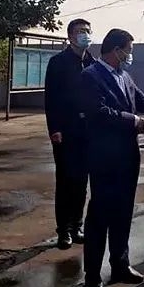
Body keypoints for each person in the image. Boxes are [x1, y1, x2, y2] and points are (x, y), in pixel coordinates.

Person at [79, 28, 144, 287]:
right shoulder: (90, 76)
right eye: (129, 50)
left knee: (123, 211)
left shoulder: (123, 76)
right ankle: (92, 274)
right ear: (116, 50)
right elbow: (98, 112)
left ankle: (120, 265)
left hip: (128, 155)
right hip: (104, 157)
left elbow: (140, 100)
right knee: (100, 214)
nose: (130, 55)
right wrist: (132, 120)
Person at [44, 18, 96, 250]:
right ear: (70, 37)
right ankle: (63, 230)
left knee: (82, 181)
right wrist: (54, 128)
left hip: (87, 132)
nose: (84, 34)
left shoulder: (93, 63)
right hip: (66, 131)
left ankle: (77, 226)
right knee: (65, 181)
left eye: (87, 30)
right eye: (80, 31)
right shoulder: (58, 62)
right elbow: (51, 98)